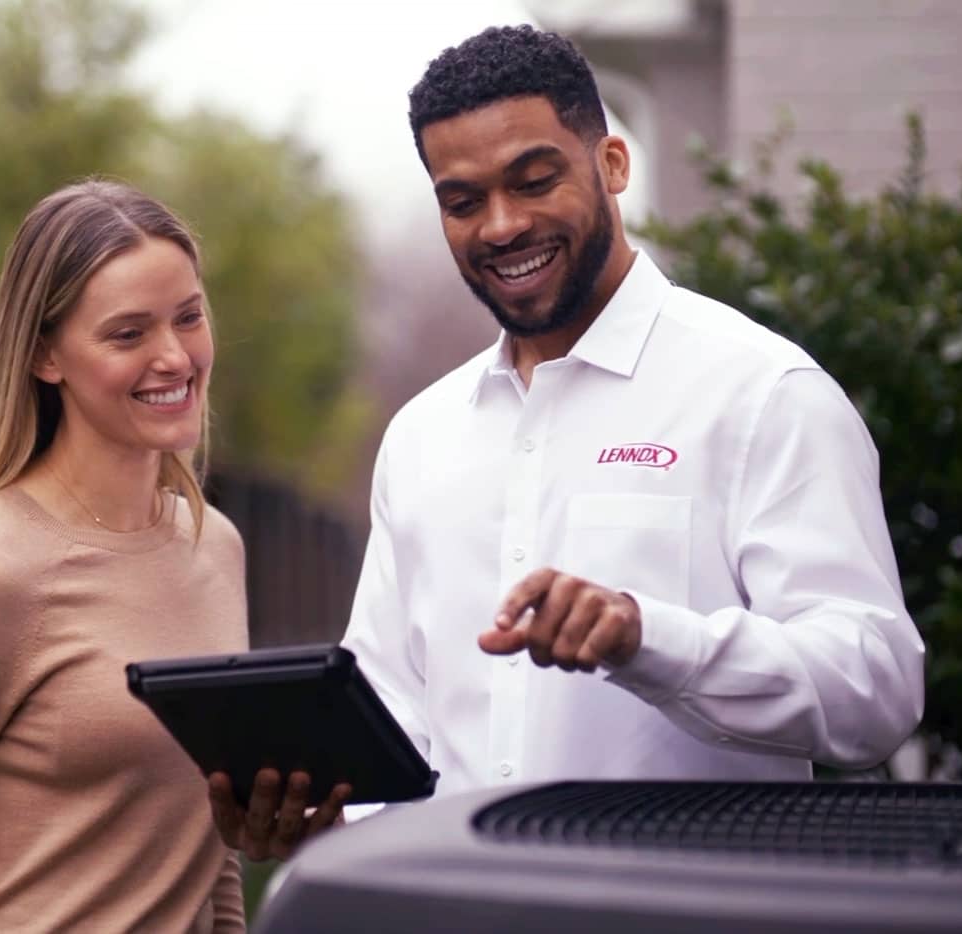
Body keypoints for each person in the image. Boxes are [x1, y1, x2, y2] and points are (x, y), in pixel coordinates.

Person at [209, 24, 924, 860]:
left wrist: (645, 637)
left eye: (534, 179)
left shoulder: (762, 394)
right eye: (463, 200)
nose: (502, 226)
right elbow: (396, 718)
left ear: (612, 165)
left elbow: (876, 686)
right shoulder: (420, 438)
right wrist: (322, 817)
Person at [0, 179, 247, 932]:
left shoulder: (213, 547)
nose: (174, 356)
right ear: (44, 356)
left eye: (188, 317)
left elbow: (207, 853)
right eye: (128, 335)